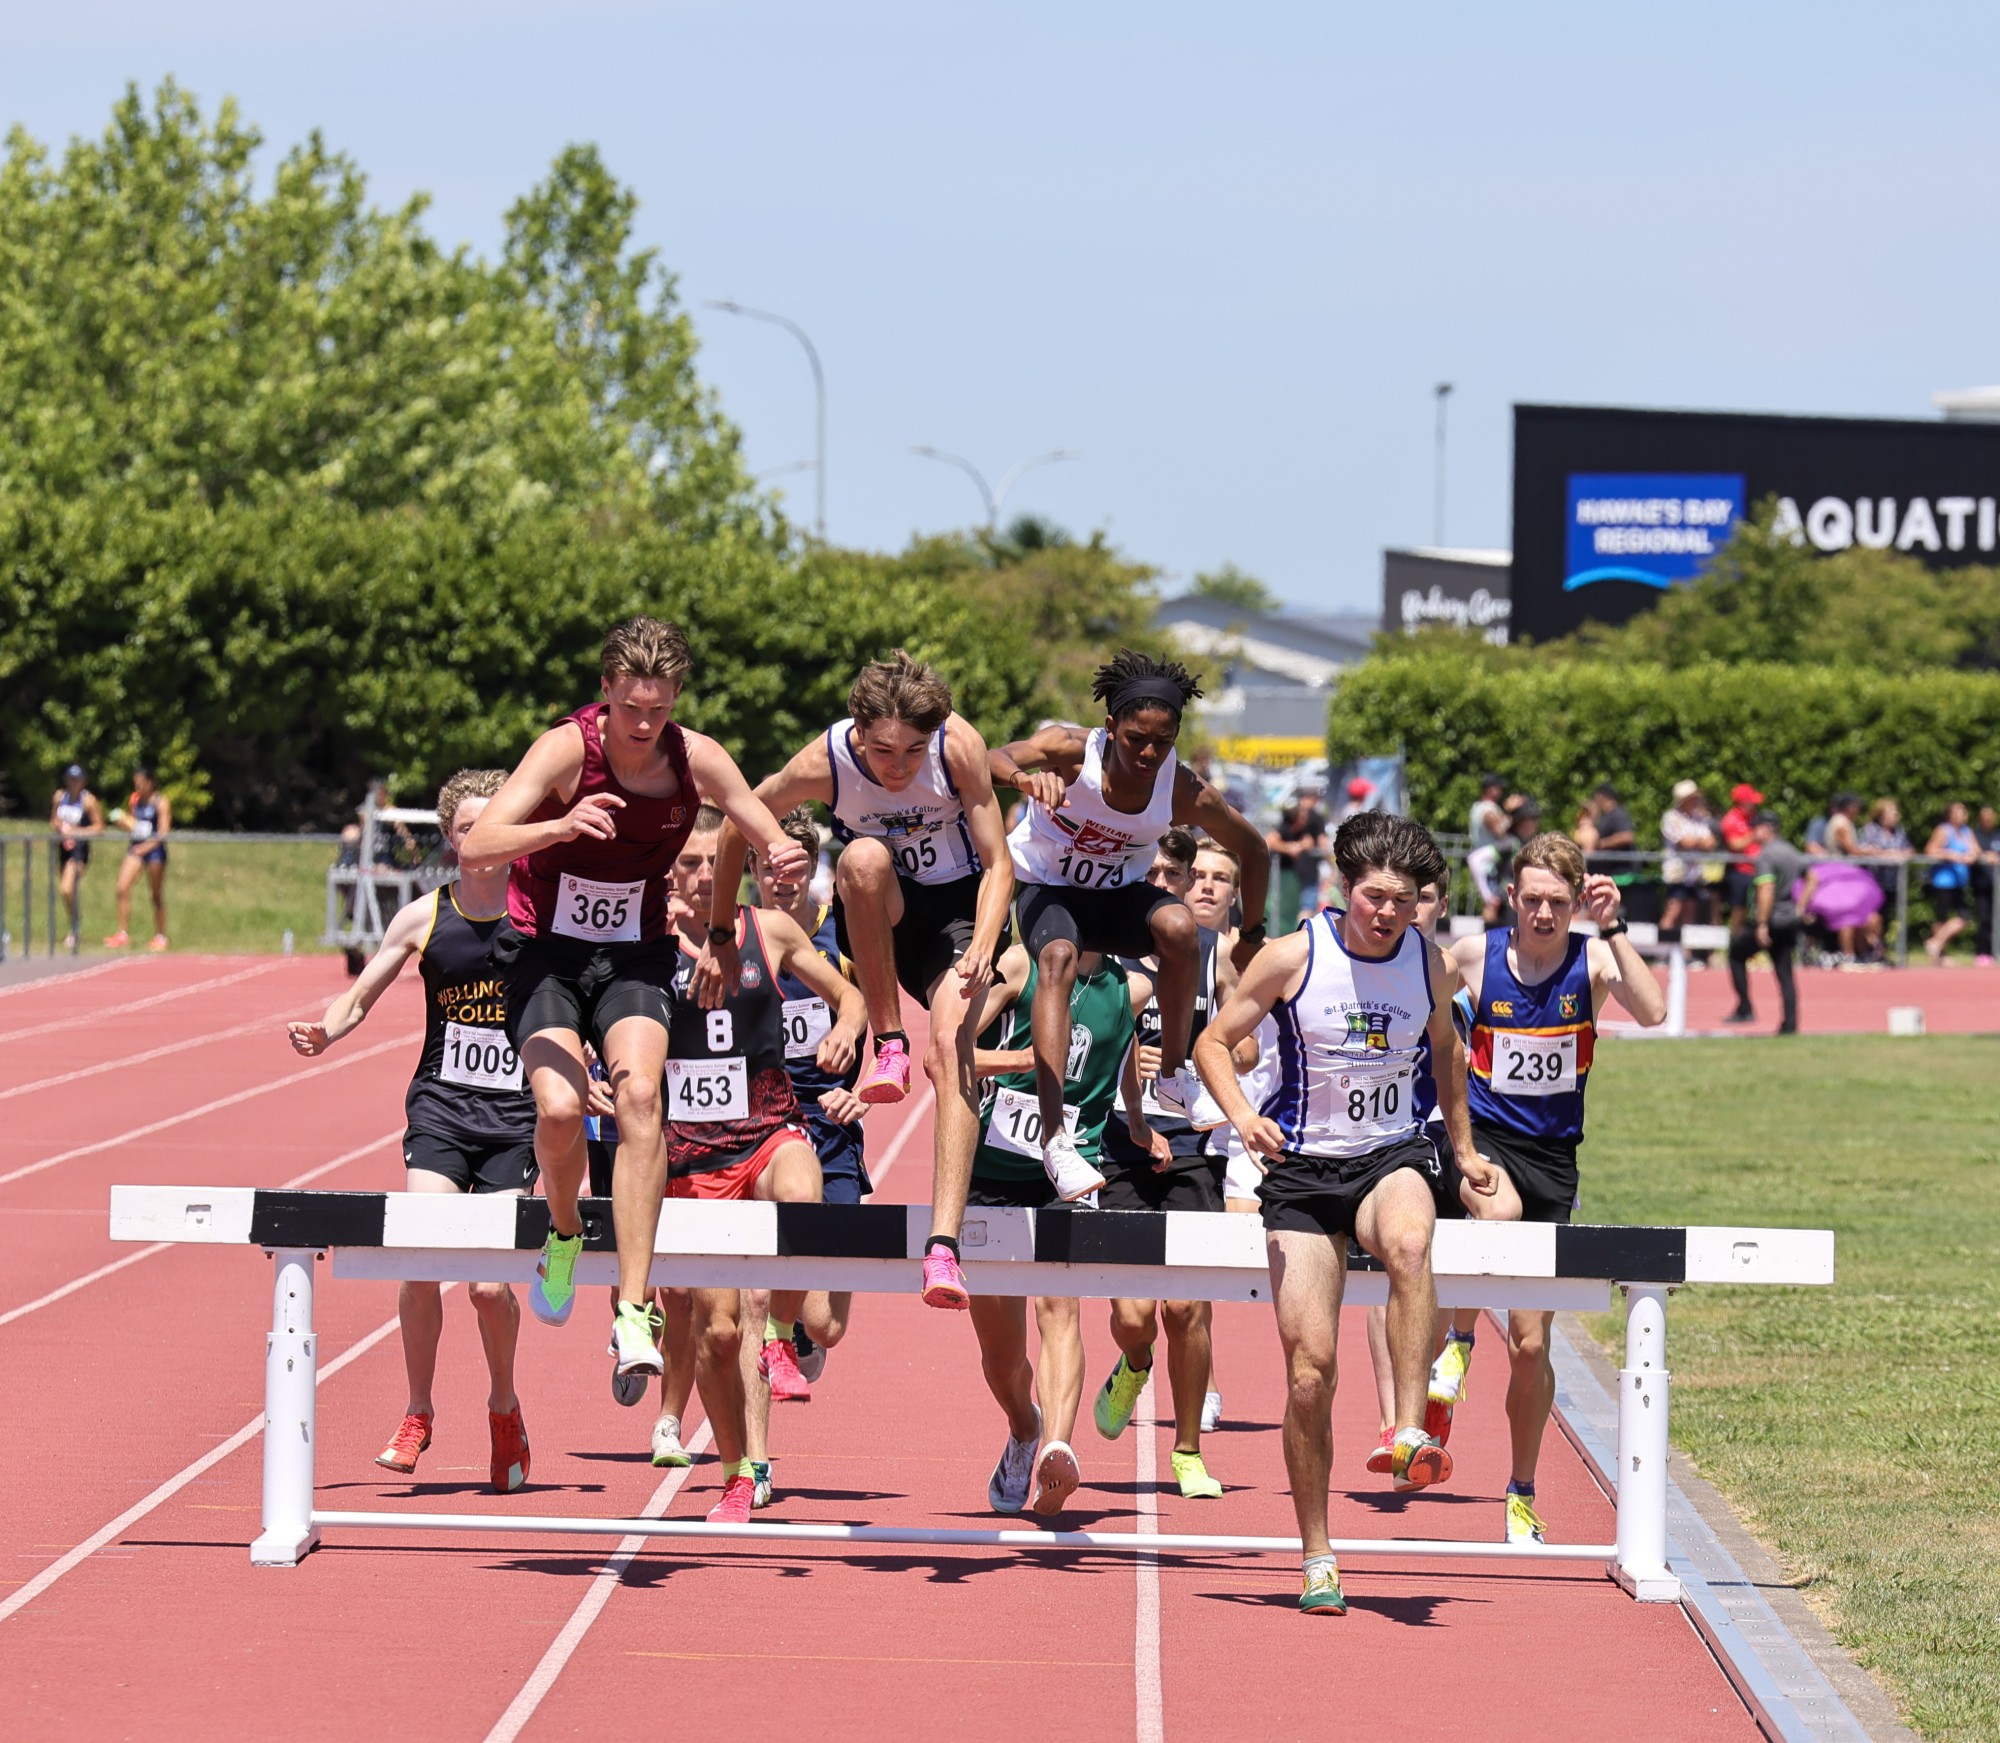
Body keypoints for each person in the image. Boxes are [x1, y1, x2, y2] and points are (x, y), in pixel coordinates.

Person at [459, 617, 810, 1388]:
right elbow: (476, 845)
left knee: (641, 1095)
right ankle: (561, 1232)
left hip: (634, 954)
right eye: (629, 709)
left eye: (657, 709)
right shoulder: (565, 750)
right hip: (545, 951)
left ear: (676, 697)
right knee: (556, 1110)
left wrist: (783, 857)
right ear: (605, 695)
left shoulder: (698, 758)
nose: (643, 726)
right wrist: (559, 822)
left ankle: (631, 1304)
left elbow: (762, 828)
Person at [1195, 812, 1489, 1616]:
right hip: (1302, 1172)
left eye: (1403, 899)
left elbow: (1447, 1053)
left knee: (1409, 1239)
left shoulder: (1425, 965)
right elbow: (1213, 1043)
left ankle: (1407, 1427)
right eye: (1373, 896)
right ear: (1342, 886)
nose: (1386, 913)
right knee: (1308, 1374)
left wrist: (1460, 1152)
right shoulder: (1294, 956)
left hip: (1391, 1154)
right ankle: (1317, 1551)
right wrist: (1239, 1115)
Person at [286, 771, 536, 1494]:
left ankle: (502, 1404)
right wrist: (324, 1032)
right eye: (466, 829)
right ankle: (418, 1409)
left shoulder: (538, 916)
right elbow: (361, 994)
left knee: (489, 1287)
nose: (481, 841)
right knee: (420, 1256)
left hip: (515, 1120)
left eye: (495, 826)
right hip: (442, 1110)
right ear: (451, 838)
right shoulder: (427, 915)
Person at [742, 652, 1014, 1314]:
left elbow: (1001, 862)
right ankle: (888, 1040)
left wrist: (982, 944)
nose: (899, 768)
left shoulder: (960, 747)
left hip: (953, 917)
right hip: (883, 911)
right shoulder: (824, 759)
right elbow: (736, 817)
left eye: (914, 752)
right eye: (886, 752)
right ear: (858, 731)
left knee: (951, 1050)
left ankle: (943, 1245)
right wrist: (725, 926)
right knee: (862, 858)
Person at [1441, 833, 1666, 1544]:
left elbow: (1654, 1010)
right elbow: (1412, 997)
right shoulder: (1477, 954)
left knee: (1534, 1345)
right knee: (1495, 1216)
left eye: (1558, 902)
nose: (1543, 913)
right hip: (1489, 1144)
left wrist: (1616, 926)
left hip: (1555, 1161)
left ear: (1576, 903)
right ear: (1511, 897)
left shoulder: (1592, 958)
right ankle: (1457, 1337)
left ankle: (1520, 1489)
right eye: (1532, 899)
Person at [646, 807, 866, 1522]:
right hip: (693, 1160)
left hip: (771, 1130)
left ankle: (777, 1339)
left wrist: (848, 1028)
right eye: (687, 864)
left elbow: (851, 995)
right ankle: (738, 1470)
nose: (704, 875)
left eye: (716, 862)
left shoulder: (767, 932)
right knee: (713, 1331)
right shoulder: (645, 948)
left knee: (803, 1198)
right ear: (666, 872)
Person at [989, 651, 1271, 1203]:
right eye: (1136, 738)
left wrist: (1254, 935)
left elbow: (1253, 848)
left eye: (1162, 742)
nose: (1148, 753)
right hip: (1050, 890)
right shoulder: (1069, 751)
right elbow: (986, 758)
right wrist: (1025, 779)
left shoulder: (1180, 789)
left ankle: (1171, 1071)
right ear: (1110, 727)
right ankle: (1055, 1138)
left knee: (1178, 925)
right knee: (1057, 959)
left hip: (1115, 898)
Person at [963, 937, 1144, 1517]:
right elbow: (951, 1049)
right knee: (1001, 1356)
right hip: (993, 1165)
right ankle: (1025, 1427)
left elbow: (1124, 1057)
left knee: (1060, 1307)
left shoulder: (1130, 988)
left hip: (1071, 1169)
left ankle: (1058, 1448)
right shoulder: (1019, 964)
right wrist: (1028, 1059)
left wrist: (1138, 1125)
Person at [1094, 828, 1234, 1500]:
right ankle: (1133, 1360)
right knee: (1133, 1313)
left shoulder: (1215, 955)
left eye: (1169, 873)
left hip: (1190, 1149)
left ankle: (1187, 1449)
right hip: (1120, 1143)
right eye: (1144, 870)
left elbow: (1253, 1045)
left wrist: (1210, 1059)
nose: (1159, 882)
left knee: (1189, 1307)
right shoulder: (1109, 956)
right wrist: (1129, 1063)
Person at [741, 807, 874, 1506]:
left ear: (811, 868)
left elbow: (881, 1029)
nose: (780, 877)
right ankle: (755, 1462)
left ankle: (799, 1333)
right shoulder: (733, 942)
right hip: (760, 1133)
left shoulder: (840, 944)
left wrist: (861, 1093)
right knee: (755, 1297)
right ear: (753, 871)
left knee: (823, 1322)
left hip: (833, 1130)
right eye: (768, 865)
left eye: (793, 865)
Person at [1725, 814, 1813, 1035]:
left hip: (1771, 919)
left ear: (1766, 829)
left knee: (1736, 955)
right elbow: (1813, 878)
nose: (1752, 834)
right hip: (1789, 918)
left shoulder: (1766, 855)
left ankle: (1745, 1007)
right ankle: (1790, 1024)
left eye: (1756, 829)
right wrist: (1800, 906)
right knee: (1785, 972)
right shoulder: (1791, 851)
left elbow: (1766, 889)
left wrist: (1762, 923)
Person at [104, 767, 170, 950]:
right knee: (122, 887)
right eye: (136, 781)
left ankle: (161, 935)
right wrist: (122, 822)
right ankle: (123, 933)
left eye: (140, 781)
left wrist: (147, 846)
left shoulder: (161, 802)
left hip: (155, 850)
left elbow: (163, 833)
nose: (138, 785)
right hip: (136, 848)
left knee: (156, 894)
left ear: (150, 782)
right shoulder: (135, 800)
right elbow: (135, 826)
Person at [50, 764, 104, 949]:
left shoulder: (88, 801)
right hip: (63, 849)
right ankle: (73, 925)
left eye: (77, 779)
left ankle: (75, 926)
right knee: (66, 891)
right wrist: (60, 827)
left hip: (79, 850)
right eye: (71, 779)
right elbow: (53, 820)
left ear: (83, 781)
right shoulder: (59, 797)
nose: (74, 783)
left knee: (67, 887)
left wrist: (76, 832)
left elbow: (99, 828)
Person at [1923, 802, 1980, 964]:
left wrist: (1972, 855)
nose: (1963, 814)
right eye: (1959, 811)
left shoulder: (1966, 831)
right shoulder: (1943, 830)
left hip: (1959, 882)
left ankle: (1936, 943)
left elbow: (1976, 849)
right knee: (1942, 918)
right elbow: (1930, 850)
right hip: (1943, 881)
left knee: (1964, 918)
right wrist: (1950, 855)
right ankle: (1939, 954)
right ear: (1950, 814)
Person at [1658, 780, 1717, 935]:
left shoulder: (1699, 818)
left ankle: (1686, 955)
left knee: (1690, 913)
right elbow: (1685, 842)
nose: (1696, 801)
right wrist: (1699, 842)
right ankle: (1662, 952)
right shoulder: (1671, 817)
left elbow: (1711, 843)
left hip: (1694, 874)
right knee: (1674, 909)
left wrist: (1695, 841)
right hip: (1676, 873)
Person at [1268, 789, 1330, 928]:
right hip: (1289, 879)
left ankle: (1302, 932)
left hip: (1307, 876)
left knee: (1306, 908)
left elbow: (1311, 843)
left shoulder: (1311, 825)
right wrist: (1290, 848)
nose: (1305, 817)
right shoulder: (1285, 827)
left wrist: (1300, 846)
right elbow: (1270, 841)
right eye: (1301, 816)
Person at [1718, 783, 1763, 931]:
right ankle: (1735, 941)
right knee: (1739, 908)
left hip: (1756, 869)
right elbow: (1734, 845)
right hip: (1739, 870)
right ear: (1743, 802)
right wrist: (1753, 836)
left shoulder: (1754, 818)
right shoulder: (1731, 819)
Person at [1572, 783, 1636, 879]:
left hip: (1619, 870)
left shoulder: (1618, 814)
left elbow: (1627, 836)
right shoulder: (1605, 816)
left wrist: (1601, 844)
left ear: (1601, 796)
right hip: (1607, 870)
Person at [1972, 804, 2000, 967]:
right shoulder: (1975, 835)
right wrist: (1984, 856)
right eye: (1985, 815)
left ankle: (1994, 951)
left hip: (1996, 885)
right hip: (1981, 884)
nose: (1989, 819)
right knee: (1984, 918)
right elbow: (1973, 852)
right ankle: (1982, 952)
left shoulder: (1997, 835)